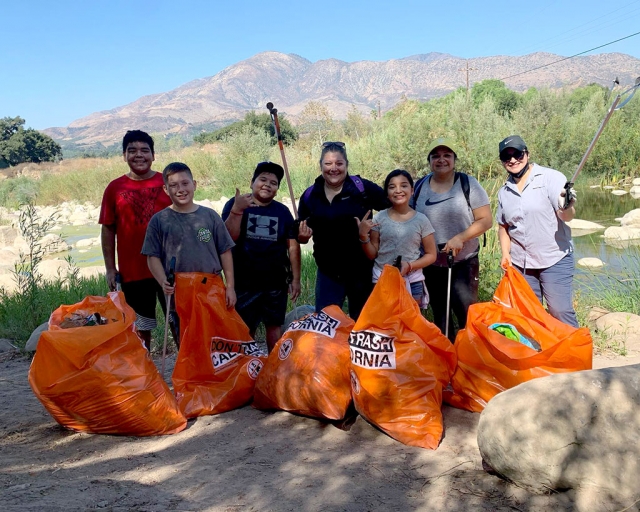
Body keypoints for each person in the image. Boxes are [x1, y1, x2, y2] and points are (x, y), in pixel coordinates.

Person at [412, 138, 492, 342]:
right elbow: (409, 219)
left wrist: (460, 238)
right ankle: (447, 361)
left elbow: (486, 220)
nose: (441, 160)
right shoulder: (419, 186)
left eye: (447, 155)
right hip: (431, 264)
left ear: (454, 160)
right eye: (436, 156)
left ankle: (471, 360)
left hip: (463, 263)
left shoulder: (468, 184)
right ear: (429, 161)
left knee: (467, 315)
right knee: (440, 317)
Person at [99, 130, 173, 351]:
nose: (138, 155)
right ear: (124, 155)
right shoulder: (115, 188)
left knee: (180, 323)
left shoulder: (168, 183)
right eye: (132, 150)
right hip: (133, 272)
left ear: (153, 155)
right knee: (140, 329)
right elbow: (107, 229)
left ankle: (187, 380)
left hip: (170, 269)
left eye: (144, 150)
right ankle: (144, 378)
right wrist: (110, 268)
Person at [297, 141, 388, 320]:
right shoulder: (310, 195)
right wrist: (301, 237)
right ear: (320, 165)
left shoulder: (362, 188)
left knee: (363, 325)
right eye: (328, 164)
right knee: (327, 326)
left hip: (362, 271)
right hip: (328, 273)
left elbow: (393, 209)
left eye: (339, 163)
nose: (334, 169)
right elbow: (300, 233)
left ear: (346, 165)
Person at [496, 135, 578, 327]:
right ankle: (540, 355)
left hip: (554, 258)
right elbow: (503, 226)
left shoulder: (551, 178)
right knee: (528, 315)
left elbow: (566, 215)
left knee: (560, 310)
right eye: (506, 157)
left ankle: (575, 354)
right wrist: (505, 253)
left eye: (517, 154)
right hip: (521, 264)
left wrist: (567, 206)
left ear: (527, 153)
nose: (513, 160)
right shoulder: (504, 191)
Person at [142, 162, 236, 329]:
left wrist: (230, 287)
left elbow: (225, 251)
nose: (180, 189)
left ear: (194, 185)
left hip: (212, 291)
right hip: (179, 294)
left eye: (185, 183)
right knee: (186, 341)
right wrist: (163, 280)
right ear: (165, 190)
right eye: (173, 185)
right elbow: (152, 256)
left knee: (216, 340)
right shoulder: (159, 220)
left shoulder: (210, 216)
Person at [221, 161, 301, 352]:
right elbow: (228, 237)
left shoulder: (282, 211)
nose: (267, 184)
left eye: (273, 182)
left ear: (277, 188)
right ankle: (246, 366)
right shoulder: (236, 204)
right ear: (252, 182)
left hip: (275, 282)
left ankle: (274, 365)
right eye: (262, 179)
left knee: (274, 325)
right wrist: (236, 210)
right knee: (245, 328)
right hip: (244, 282)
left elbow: (292, 246)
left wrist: (296, 278)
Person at [357, 169, 437, 305]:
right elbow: (372, 254)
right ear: (387, 194)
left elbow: (431, 255)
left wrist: (410, 265)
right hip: (382, 280)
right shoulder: (379, 218)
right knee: (385, 323)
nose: (398, 190)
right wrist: (363, 235)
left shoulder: (422, 220)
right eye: (392, 187)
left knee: (411, 323)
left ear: (412, 191)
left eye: (404, 185)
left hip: (412, 281)